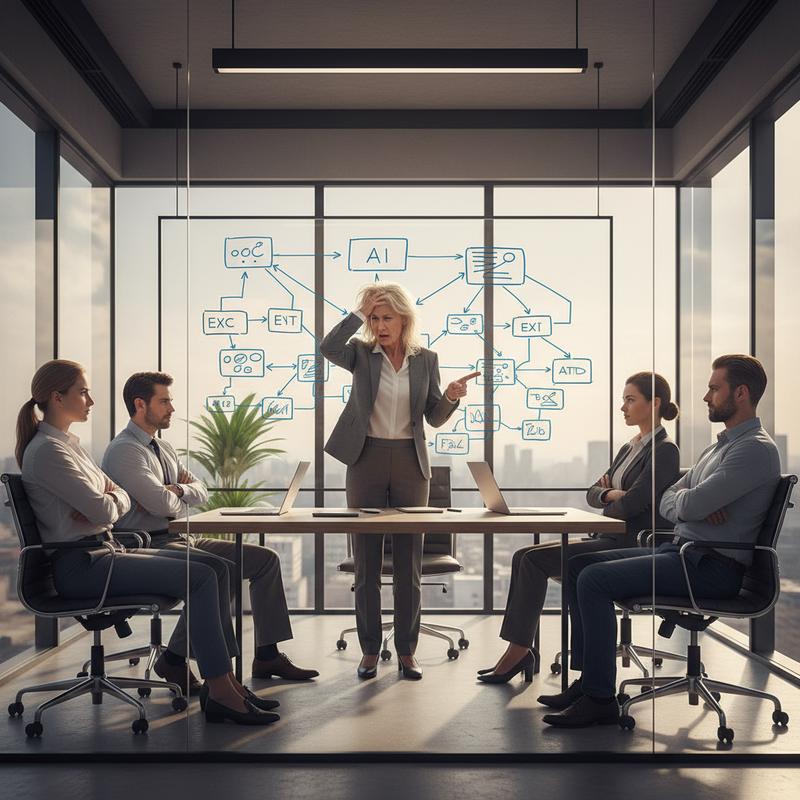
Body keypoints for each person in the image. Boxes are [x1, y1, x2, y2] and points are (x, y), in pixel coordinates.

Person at [17, 360, 278, 725]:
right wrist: (110, 500)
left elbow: (113, 500)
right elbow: (107, 507)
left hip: (103, 551)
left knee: (217, 568)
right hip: (83, 566)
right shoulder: (49, 451)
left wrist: (111, 499)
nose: (91, 400)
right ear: (57, 398)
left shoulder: (70, 446)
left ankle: (226, 682)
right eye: (83, 392)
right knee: (203, 575)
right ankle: (220, 690)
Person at [541, 354, 781, 728]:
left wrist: (693, 504)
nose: (705, 397)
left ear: (741, 393)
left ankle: (600, 699)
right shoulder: (717, 448)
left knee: (593, 579)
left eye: (714, 389)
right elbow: (672, 498)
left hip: (710, 568)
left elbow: (685, 501)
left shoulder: (753, 450)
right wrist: (693, 504)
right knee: (577, 565)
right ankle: (590, 682)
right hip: (682, 553)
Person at [102, 371, 318, 694]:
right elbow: (162, 504)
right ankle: (203, 670)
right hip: (149, 544)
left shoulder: (163, 448)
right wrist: (175, 494)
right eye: (165, 401)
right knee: (218, 572)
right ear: (140, 405)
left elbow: (201, 490)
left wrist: (175, 490)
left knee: (265, 561)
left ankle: (267, 656)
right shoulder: (124, 451)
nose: (172, 408)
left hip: (182, 537)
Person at [477, 372, 680, 684]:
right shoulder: (630, 448)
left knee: (537, 561)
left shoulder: (665, 450)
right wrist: (612, 494)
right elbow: (593, 493)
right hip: (608, 535)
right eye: (623, 400)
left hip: (631, 544)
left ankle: (523, 654)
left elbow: (635, 503)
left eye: (630, 400)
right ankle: (520, 649)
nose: (622, 407)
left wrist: (610, 496)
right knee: (522, 556)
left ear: (653, 403)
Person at [321, 283, 478, 680]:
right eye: (374, 318)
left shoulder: (426, 360)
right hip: (365, 458)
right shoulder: (359, 353)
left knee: (409, 563)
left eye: (386, 317)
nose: (380, 325)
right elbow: (327, 346)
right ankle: (370, 650)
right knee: (366, 564)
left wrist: (453, 397)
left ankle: (407, 651)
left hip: (411, 461)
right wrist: (358, 313)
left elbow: (435, 417)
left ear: (404, 318)